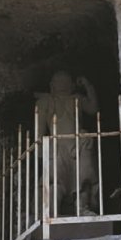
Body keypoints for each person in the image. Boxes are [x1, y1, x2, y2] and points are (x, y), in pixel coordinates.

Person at [35, 70, 99, 215]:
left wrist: (88, 86)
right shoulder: (45, 102)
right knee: (55, 179)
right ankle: (51, 211)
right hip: (56, 146)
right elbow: (39, 129)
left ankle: (82, 207)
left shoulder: (77, 99)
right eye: (59, 81)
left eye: (66, 82)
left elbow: (93, 109)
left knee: (84, 177)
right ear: (52, 85)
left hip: (79, 144)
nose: (62, 85)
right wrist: (41, 148)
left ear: (72, 85)